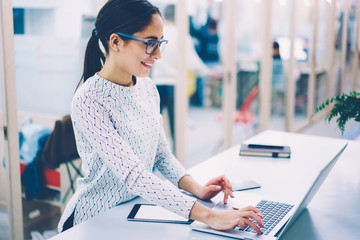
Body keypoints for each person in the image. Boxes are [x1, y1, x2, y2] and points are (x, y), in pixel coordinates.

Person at [58, 0, 263, 234]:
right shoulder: (89, 99)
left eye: (160, 43)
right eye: (150, 43)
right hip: (93, 220)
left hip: (132, 211)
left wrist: (198, 189)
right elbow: (134, 175)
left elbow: (161, 155)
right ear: (116, 41)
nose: (158, 55)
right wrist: (209, 216)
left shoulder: (147, 88)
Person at [151, 4, 211, 146]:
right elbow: (192, 62)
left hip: (156, 84)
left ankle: (150, 164)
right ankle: (176, 159)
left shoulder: (157, 33)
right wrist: (208, 72)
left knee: (153, 128)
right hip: (174, 86)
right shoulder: (182, 36)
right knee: (176, 127)